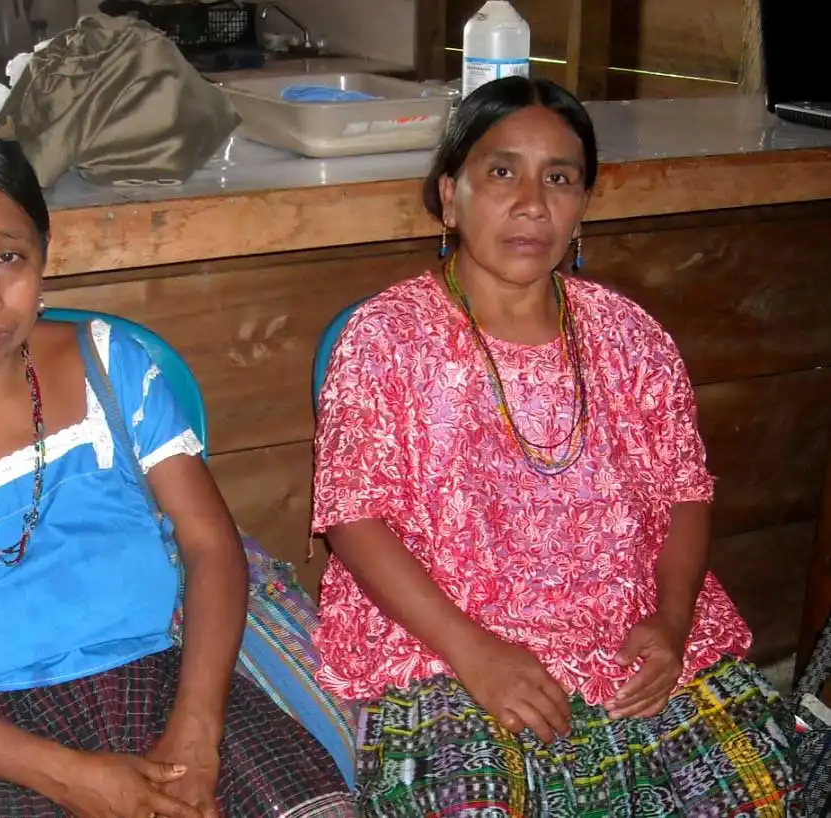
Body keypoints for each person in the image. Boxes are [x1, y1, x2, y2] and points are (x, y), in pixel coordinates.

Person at [0, 131, 354, 818]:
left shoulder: (113, 366)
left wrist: (198, 731)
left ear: (43, 261)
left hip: (163, 684)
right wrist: (69, 777)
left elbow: (209, 547)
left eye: (9, 257)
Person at [311, 76, 804, 817]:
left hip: (630, 625)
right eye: (501, 172)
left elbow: (684, 492)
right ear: (450, 197)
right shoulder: (387, 339)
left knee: (764, 793)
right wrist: (475, 654)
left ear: (580, 211)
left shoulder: (629, 337)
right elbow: (353, 516)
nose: (531, 203)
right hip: (445, 642)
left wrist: (670, 624)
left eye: (560, 179)